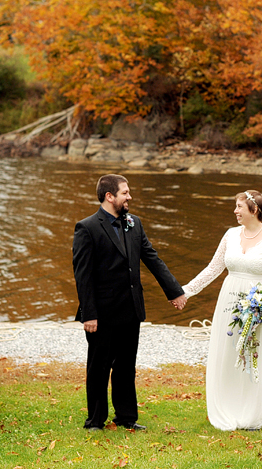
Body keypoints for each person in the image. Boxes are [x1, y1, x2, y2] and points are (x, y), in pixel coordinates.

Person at [73, 174, 188, 432]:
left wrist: (175, 291)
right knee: (99, 367)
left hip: (131, 309)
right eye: (125, 192)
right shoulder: (87, 227)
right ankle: (95, 420)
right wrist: (89, 313)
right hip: (101, 313)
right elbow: (83, 276)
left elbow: (152, 258)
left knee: (126, 367)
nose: (130, 196)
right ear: (109, 196)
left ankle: (126, 417)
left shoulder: (134, 223)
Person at [182, 189, 262, 431]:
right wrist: (186, 291)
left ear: (255, 210)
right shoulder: (230, 235)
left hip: (260, 306)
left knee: (255, 355)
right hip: (230, 301)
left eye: (239, 207)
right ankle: (228, 406)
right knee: (230, 353)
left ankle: (255, 411)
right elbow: (213, 269)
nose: (235, 211)